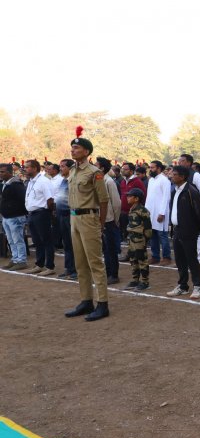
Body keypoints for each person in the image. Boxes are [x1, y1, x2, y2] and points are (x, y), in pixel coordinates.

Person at [64, 127, 111, 321]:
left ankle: (102, 304)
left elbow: (103, 200)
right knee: (80, 263)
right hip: (74, 218)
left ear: (86, 151)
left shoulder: (94, 173)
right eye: (72, 148)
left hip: (89, 218)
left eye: (76, 148)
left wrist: (101, 224)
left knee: (95, 263)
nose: (73, 150)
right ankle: (86, 301)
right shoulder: (73, 171)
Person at [166, 166, 200, 299]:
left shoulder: (191, 191)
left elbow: (199, 213)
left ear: (182, 177)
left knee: (191, 259)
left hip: (189, 231)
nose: (171, 176)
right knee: (180, 259)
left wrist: (195, 229)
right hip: (177, 230)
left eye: (174, 174)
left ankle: (197, 286)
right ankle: (183, 286)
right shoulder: (174, 190)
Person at [23, 159, 56, 276]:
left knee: (46, 240)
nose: (25, 169)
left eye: (27, 167)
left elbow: (50, 200)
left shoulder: (43, 181)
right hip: (32, 214)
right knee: (37, 241)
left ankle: (50, 266)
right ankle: (39, 264)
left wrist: (49, 213)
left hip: (41, 213)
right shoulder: (31, 181)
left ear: (35, 168)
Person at [95, 157, 122, 284]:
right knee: (104, 249)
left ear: (102, 168)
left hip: (109, 219)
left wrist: (115, 219)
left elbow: (116, 203)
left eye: (96, 165)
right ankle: (108, 272)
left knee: (110, 249)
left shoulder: (109, 181)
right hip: (99, 219)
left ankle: (114, 274)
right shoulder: (99, 180)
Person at [0, 163, 28, 271]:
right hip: (7, 217)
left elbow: (22, 199)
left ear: (9, 172)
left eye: (2, 172)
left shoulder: (16, 184)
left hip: (15, 216)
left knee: (18, 240)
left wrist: (15, 210)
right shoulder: (6, 183)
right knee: (11, 240)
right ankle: (15, 258)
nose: (0, 174)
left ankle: (21, 260)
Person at [123, 188, 152, 291]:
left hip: (139, 239)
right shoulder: (132, 209)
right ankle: (135, 280)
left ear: (136, 199)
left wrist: (145, 240)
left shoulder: (143, 211)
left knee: (142, 260)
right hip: (132, 239)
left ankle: (145, 282)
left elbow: (148, 228)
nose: (127, 197)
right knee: (133, 259)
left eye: (130, 196)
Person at [145, 161, 172, 265]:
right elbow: (149, 197)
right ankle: (155, 256)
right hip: (151, 212)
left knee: (163, 235)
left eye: (152, 168)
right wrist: (146, 212)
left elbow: (166, 198)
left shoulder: (164, 180)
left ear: (159, 168)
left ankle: (166, 257)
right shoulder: (151, 180)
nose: (150, 169)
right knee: (153, 235)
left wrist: (162, 213)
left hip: (161, 213)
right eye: (150, 167)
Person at [55, 159, 77, 280]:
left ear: (70, 168)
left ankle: (76, 270)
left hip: (70, 215)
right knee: (67, 244)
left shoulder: (73, 180)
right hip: (61, 214)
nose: (60, 168)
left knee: (74, 244)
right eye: (60, 166)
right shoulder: (63, 180)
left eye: (63, 166)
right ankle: (69, 268)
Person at [118, 162, 146, 253]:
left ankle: (135, 254)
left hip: (134, 213)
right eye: (122, 168)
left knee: (134, 235)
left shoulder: (137, 181)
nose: (123, 170)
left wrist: (138, 210)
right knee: (126, 235)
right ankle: (130, 254)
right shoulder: (122, 181)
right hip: (123, 212)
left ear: (131, 171)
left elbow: (143, 196)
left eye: (125, 169)